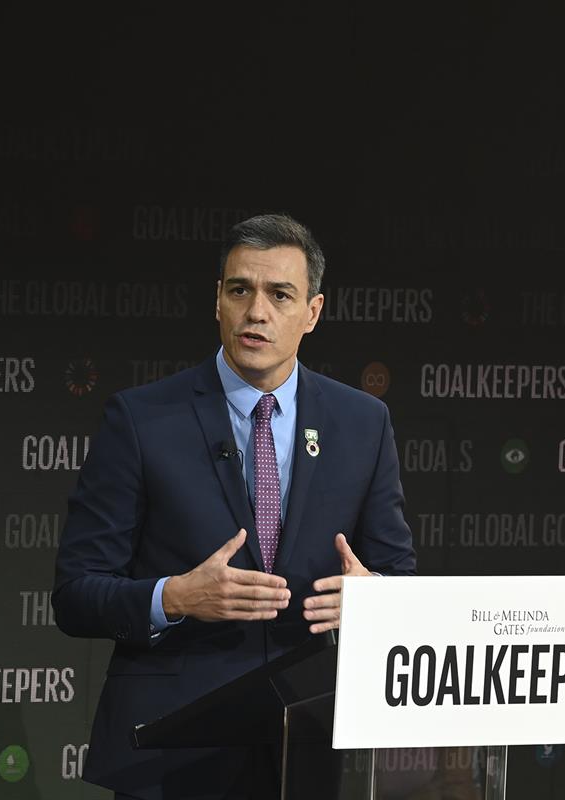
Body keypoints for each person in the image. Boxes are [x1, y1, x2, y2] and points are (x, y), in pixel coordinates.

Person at [52, 213, 417, 799]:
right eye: (239, 289)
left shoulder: (363, 424)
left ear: (313, 313)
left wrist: (373, 598)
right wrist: (175, 598)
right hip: (170, 754)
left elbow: (398, 578)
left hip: (307, 748)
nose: (256, 312)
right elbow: (75, 594)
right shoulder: (141, 420)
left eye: (280, 295)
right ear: (216, 300)